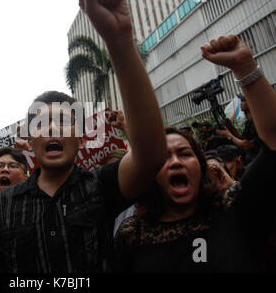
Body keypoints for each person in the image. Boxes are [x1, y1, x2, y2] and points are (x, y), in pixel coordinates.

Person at [0, 0, 167, 273]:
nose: (51, 129)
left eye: (63, 122)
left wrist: (119, 42)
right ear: (29, 138)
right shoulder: (4, 204)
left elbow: (152, 155)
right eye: (41, 123)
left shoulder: (101, 185)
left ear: (82, 138)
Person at [114, 34, 276, 272]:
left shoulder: (233, 208)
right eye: (164, 158)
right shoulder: (132, 236)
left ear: (201, 166)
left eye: (185, 153)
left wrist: (245, 68)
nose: (176, 162)